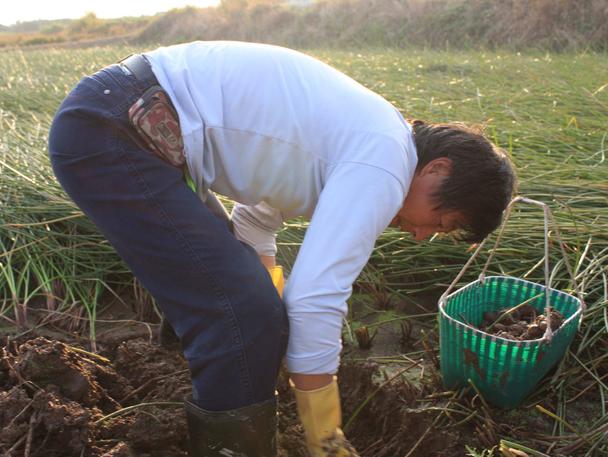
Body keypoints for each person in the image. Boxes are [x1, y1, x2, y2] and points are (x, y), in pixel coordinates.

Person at [48, 41, 516, 457]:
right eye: (441, 223)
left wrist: (271, 318)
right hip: (115, 130)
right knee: (239, 314)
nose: (420, 234)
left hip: (126, 121)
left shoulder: (368, 138)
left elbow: (254, 221)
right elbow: (315, 299)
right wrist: (325, 437)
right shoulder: (386, 161)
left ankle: (207, 380)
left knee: (248, 309)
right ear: (438, 170)